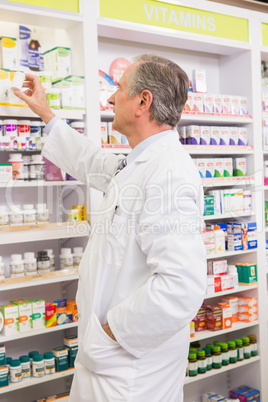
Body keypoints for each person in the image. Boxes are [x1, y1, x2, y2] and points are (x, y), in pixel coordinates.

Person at [14, 54, 206, 402]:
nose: (110, 98)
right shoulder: (137, 163)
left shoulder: (168, 172)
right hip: (111, 367)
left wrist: (109, 333)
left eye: (119, 89)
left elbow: (181, 287)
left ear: (143, 102)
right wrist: (45, 113)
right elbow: (90, 161)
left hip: (131, 376)